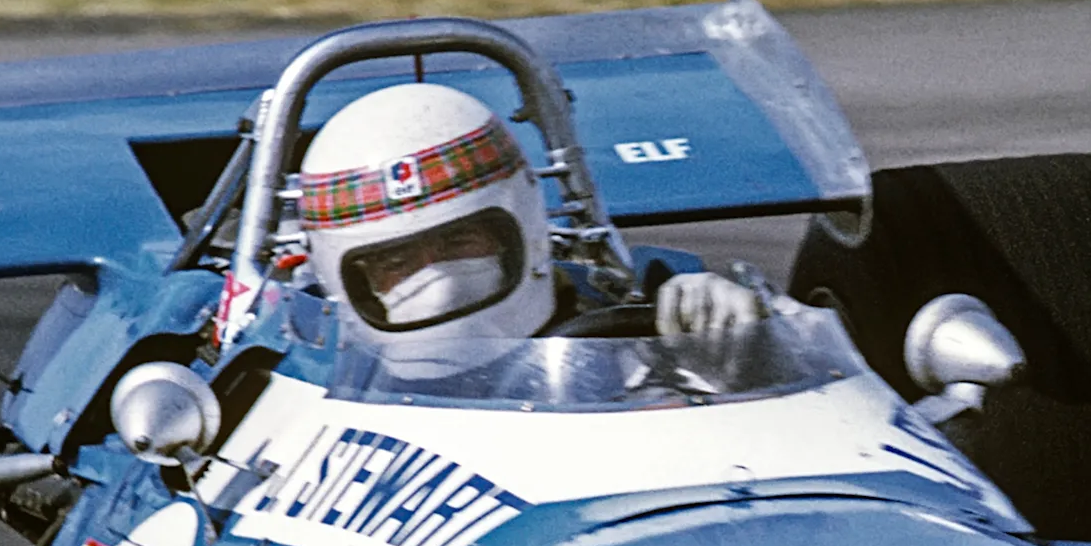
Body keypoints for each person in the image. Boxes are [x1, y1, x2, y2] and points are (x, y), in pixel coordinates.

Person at [294, 83, 764, 348]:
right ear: (353, 278)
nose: (438, 276)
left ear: (521, 229)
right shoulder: (310, 367)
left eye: (460, 241)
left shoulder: (634, 323)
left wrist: (748, 330)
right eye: (396, 259)